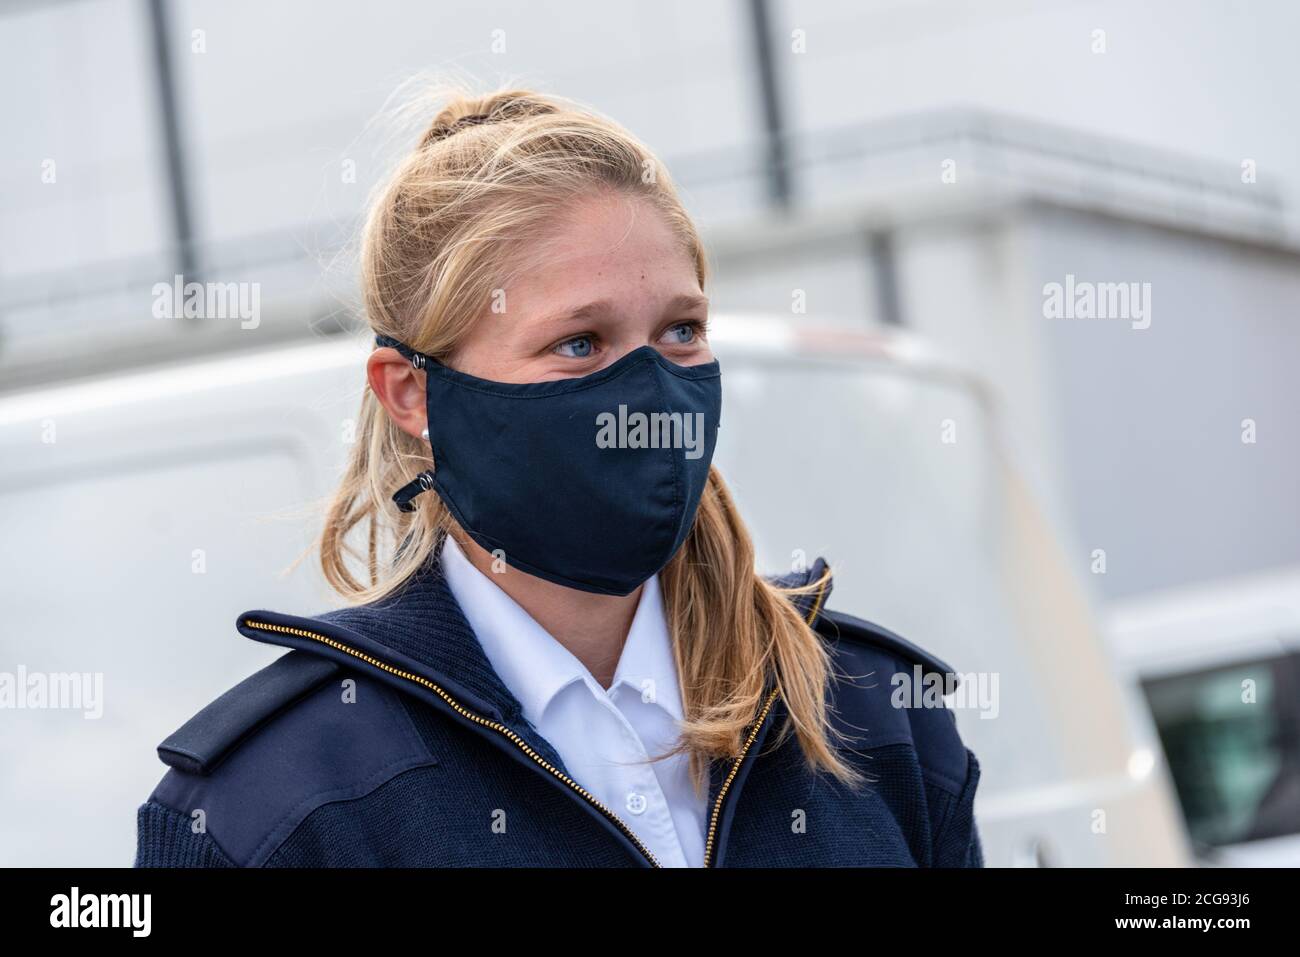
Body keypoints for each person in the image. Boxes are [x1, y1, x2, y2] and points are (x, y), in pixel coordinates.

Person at [133, 86, 984, 868]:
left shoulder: (871, 718)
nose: (651, 394)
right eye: (579, 344)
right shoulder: (275, 809)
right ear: (411, 393)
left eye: (681, 331)